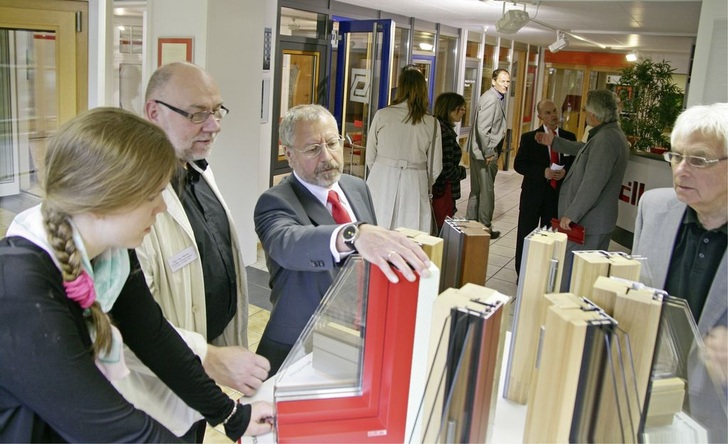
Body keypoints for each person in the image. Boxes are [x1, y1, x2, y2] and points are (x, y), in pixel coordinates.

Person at [0, 107, 273, 442]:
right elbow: (110, 428)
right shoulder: (19, 290)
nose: (161, 208)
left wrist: (231, 416)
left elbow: (153, 336)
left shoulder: (110, 251)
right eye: (152, 195)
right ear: (104, 198)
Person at [137, 62, 269, 438]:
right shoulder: (131, 202)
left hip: (199, 382)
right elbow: (131, 325)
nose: (214, 126)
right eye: (197, 114)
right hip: (157, 392)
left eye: (216, 111)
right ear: (153, 112)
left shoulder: (197, 170)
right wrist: (207, 358)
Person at [254, 104, 432, 375]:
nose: (327, 156)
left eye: (333, 143)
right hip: (301, 345)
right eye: (313, 149)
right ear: (289, 154)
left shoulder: (356, 187)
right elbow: (288, 243)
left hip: (357, 337)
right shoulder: (276, 201)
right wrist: (353, 234)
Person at [632, 103, 727, 442]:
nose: (681, 170)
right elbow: (635, 292)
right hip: (646, 396)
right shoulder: (654, 208)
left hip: (716, 417)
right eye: (676, 156)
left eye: (698, 160)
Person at [535, 89, 629, 291]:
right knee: (584, 275)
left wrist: (571, 214)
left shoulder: (606, 139)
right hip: (596, 221)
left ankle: (566, 315)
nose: (585, 115)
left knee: (574, 278)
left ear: (595, 115)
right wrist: (555, 142)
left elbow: (592, 183)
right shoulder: (608, 134)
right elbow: (583, 150)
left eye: (587, 111)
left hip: (589, 222)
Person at [365, 65, 443, 232]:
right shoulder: (431, 123)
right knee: (411, 233)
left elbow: (370, 156)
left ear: (400, 87)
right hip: (415, 182)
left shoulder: (382, 115)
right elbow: (436, 168)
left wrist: (382, 170)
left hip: (381, 178)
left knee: (378, 229)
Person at [513, 99, 576, 276]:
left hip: (555, 196)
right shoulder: (530, 138)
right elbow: (519, 164)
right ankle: (523, 273)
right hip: (533, 195)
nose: (553, 115)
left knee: (550, 237)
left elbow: (574, 163)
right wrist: (543, 172)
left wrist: (566, 173)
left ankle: (545, 274)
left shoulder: (569, 138)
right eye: (548, 113)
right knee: (526, 235)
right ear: (540, 116)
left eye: (555, 111)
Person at [465, 68, 511, 239]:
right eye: (502, 81)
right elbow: (483, 129)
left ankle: (471, 225)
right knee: (486, 191)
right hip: (485, 153)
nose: (506, 84)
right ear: (493, 81)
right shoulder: (491, 99)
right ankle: (484, 228)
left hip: (480, 152)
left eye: (507, 81)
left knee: (477, 190)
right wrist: (489, 152)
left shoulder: (494, 97)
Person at [432, 92, 468, 230]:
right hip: (442, 190)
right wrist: (462, 171)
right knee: (441, 228)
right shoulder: (445, 133)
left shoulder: (437, 127)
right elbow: (446, 168)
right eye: (461, 108)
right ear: (450, 109)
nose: (463, 112)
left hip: (438, 189)